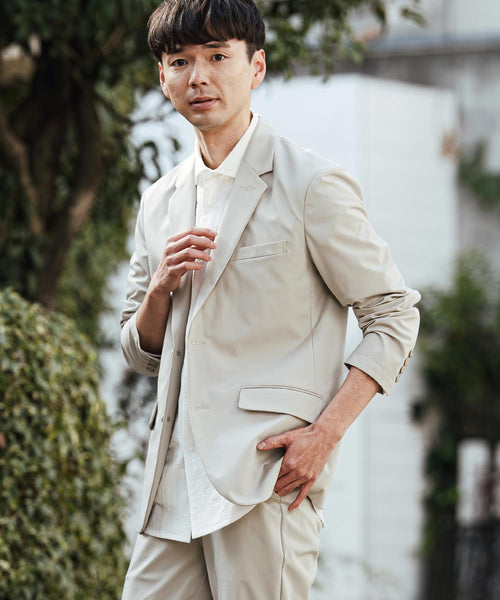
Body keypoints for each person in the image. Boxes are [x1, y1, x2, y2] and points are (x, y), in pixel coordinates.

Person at [120, 0, 420, 597]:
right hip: (173, 483)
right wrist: (160, 290)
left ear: (255, 67)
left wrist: (324, 435)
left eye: (217, 57)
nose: (198, 77)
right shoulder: (159, 201)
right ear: (163, 77)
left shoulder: (311, 184)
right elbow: (139, 351)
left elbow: (393, 316)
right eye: (180, 61)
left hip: (265, 475)